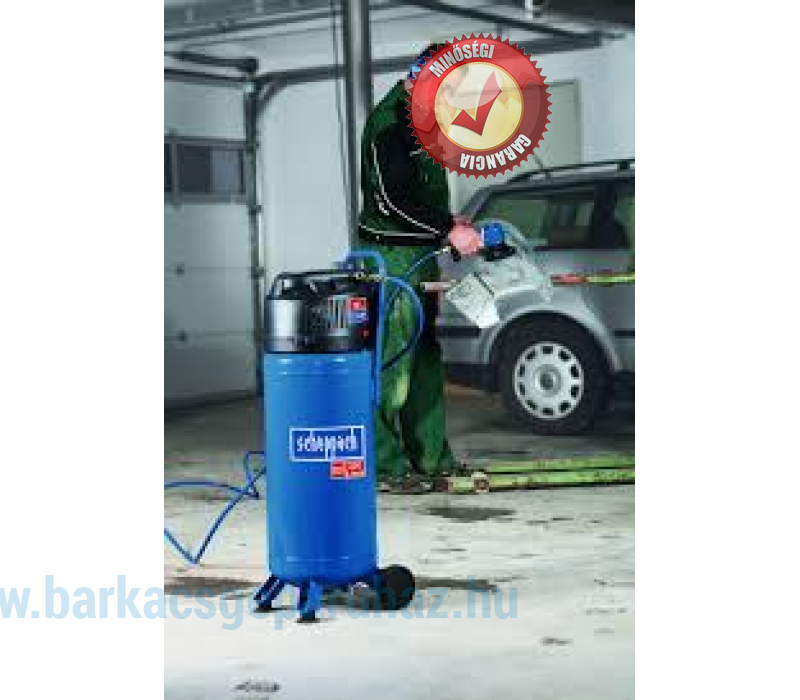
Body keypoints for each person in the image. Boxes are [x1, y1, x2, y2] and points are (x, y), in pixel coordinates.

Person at [357, 44, 482, 493]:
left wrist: (448, 222)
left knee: (425, 354)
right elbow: (391, 202)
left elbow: (418, 194)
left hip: (420, 255)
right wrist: (446, 229)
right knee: (392, 361)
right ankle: (385, 466)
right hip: (391, 258)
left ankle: (431, 459)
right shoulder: (389, 124)